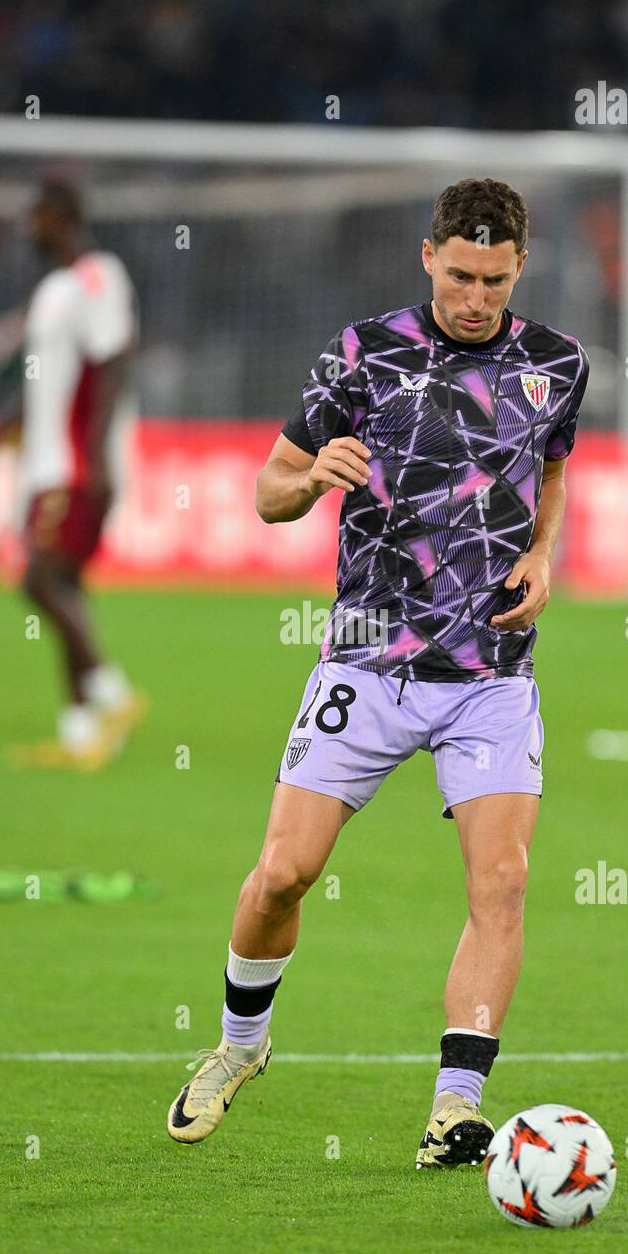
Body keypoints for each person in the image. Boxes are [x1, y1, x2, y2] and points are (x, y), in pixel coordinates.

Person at [167, 178, 589, 1169]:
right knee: (283, 874)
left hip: (490, 670)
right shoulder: (362, 352)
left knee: (502, 882)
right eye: (457, 276)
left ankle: (455, 1106)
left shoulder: (557, 365)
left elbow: (553, 470)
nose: (474, 297)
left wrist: (543, 554)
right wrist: (310, 478)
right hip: (367, 658)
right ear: (425, 255)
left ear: (517, 266)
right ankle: (238, 1046)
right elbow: (268, 489)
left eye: (492, 279)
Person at [0, 181, 145, 768]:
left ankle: (111, 692)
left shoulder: (99, 276)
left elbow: (114, 361)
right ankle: (79, 733)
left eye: (38, 217)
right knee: (62, 584)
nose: (29, 228)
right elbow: (41, 381)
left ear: (64, 217)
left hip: (74, 466)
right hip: (44, 464)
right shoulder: (52, 290)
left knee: (39, 579)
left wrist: (96, 455)